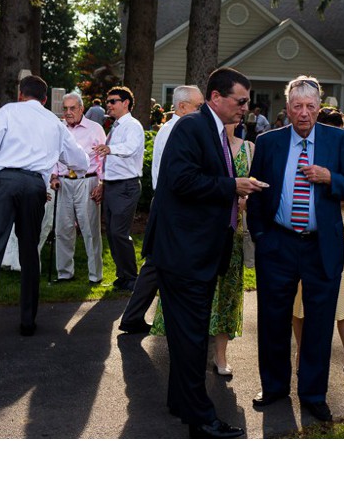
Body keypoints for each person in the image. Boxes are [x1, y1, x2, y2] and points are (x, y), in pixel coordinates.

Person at [143, 67, 264, 438]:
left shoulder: (212, 130)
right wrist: (233, 185)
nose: (246, 107)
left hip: (195, 251)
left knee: (186, 337)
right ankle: (203, 420)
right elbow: (178, 180)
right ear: (216, 97)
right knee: (194, 339)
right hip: (184, 253)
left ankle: (181, 403)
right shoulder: (193, 127)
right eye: (240, 100)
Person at [244, 77, 344, 423]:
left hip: (320, 246)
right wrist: (261, 236)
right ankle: (275, 387)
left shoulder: (338, 140)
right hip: (278, 243)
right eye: (298, 106)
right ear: (288, 108)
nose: (304, 113)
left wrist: (329, 177)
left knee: (319, 324)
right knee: (272, 319)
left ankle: (313, 394)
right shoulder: (269, 142)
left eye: (311, 106)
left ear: (319, 107)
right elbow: (257, 193)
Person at [0, 74, 89, 345]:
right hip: (34, 187)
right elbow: (79, 160)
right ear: (46, 99)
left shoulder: (9, 112)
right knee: (29, 252)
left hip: (3, 183)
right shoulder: (55, 123)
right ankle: (28, 320)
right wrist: (70, 166)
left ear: (20, 94)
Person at [150, 119, 253, 378]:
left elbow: (255, 188)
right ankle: (187, 357)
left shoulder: (249, 148)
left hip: (232, 234)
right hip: (199, 237)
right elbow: (185, 183)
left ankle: (220, 355)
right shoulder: (201, 144)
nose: (240, 112)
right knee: (195, 299)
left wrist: (246, 199)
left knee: (227, 295)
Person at [291, 108, 344, 393]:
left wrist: (331, 183)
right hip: (306, 236)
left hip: (340, 234)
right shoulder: (298, 153)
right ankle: (303, 358)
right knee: (300, 304)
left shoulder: (343, 154)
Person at [120, 85, 205, 334]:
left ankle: (135, 316)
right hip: (172, 204)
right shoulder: (178, 129)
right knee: (159, 262)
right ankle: (145, 317)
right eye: (198, 106)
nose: (202, 111)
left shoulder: (175, 127)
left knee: (158, 263)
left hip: (168, 202)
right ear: (182, 106)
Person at [52, 93, 107, 283]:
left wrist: (101, 184)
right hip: (64, 182)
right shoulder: (59, 129)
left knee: (90, 230)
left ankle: (95, 276)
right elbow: (52, 154)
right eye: (65, 109)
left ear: (81, 109)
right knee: (63, 230)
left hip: (87, 181)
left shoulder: (95, 129)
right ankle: (64, 273)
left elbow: (103, 159)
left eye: (72, 108)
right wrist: (53, 175)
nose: (68, 112)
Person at [97, 86, 144, 290]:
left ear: (126, 103)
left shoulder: (132, 125)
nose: (109, 105)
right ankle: (123, 276)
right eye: (107, 101)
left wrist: (110, 149)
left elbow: (130, 148)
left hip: (126, 186)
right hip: (112, 185)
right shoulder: (115, 126)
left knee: (119, 233)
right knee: (112, 233)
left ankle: (132, 278)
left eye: (113, 101)